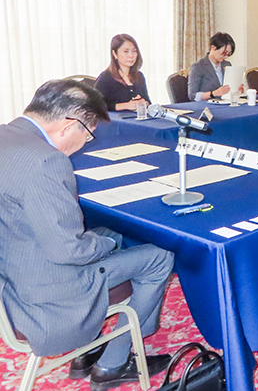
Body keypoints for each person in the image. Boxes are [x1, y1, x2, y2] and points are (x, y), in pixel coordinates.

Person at [0, 79, 174, 390]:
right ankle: (114, 363)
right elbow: (69, 250)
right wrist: (105, 243)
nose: (85, 143)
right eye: (87, 134)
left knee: (111, 234)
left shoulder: (6, 135)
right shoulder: (45, 160)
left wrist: (106, 239)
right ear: (70, 125)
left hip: (14, 272)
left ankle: (88, 351)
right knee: (159, 257)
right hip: (49, 296)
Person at [94, 34, 150, 112]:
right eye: (126, 51)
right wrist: (126, 106)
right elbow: (95, 105)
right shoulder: (106, 78)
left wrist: (143, 103)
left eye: (134, 51)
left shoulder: (139, 76)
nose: (131, 55)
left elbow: (148, 102)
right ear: (114, 54)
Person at [188, 32, 240, 101]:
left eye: (228, 54)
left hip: (224, 103)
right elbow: (192, 95)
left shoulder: (227, 64)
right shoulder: (198, 67)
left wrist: (236, 89)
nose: (225, 57)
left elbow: (228, 89)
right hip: (206, 104)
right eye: (223, 53)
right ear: (213, 47)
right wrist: (213, 94)